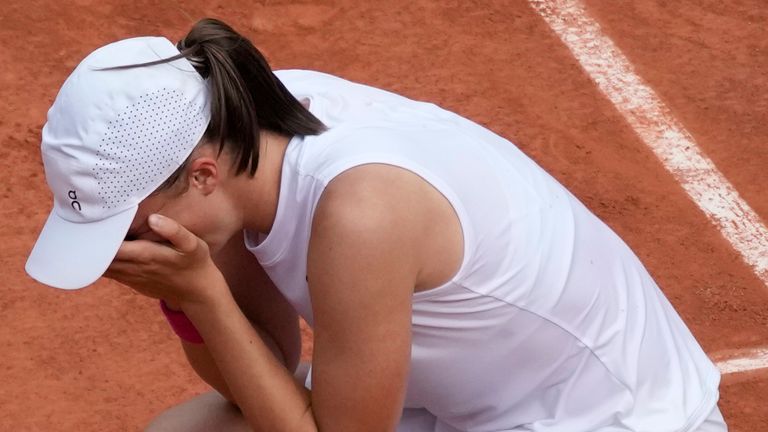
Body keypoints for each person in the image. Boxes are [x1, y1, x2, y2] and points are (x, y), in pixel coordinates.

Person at [25, 17, 727, 432]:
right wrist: (184, 294)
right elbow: (259, 364)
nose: (128, 245)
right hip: (470, 411)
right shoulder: (241, 136)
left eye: (133, 223)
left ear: (200, 173)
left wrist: (202, 292)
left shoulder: (363, 212)